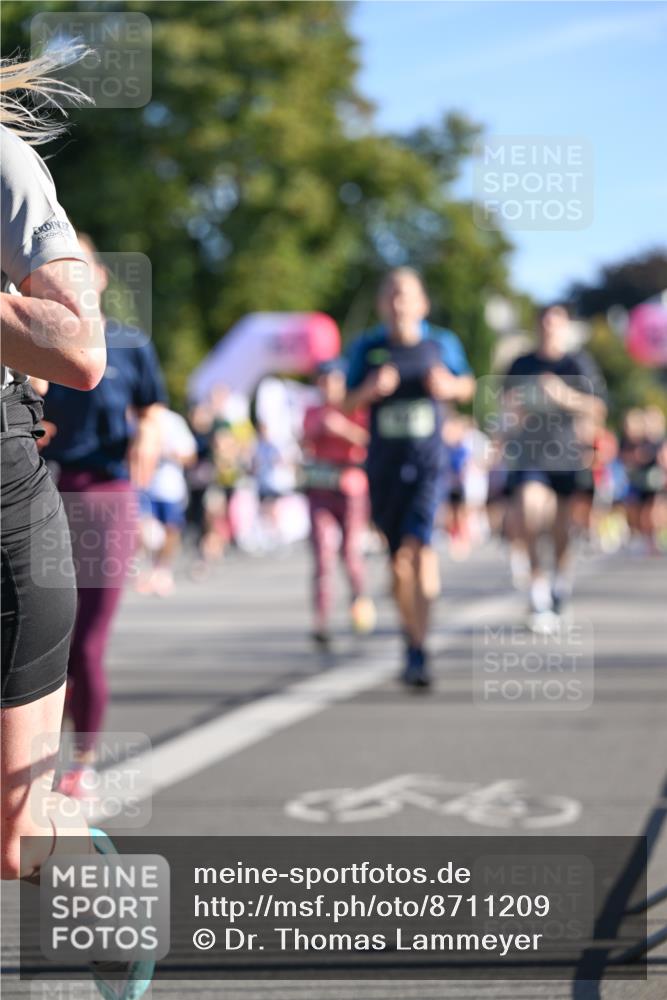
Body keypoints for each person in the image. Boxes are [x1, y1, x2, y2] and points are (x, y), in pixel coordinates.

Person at [0, 49, 154, 999]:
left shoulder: (4, 165)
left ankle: (85, 863)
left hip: (3, 516)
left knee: (13, 845)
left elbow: (82, 352)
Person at [40, 234, 167, 796]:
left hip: (106, 498)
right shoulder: (33, 337)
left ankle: (82, 761)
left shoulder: (130, 343)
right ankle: (35, 757)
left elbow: (154, 408)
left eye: (80, 268)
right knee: (41, 640)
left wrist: (150, 435)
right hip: (43, 496)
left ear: (101, 277)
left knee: (86, 642)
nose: (70, 279)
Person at [344, 268, 475, 686]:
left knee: (418, 551)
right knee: (399, 563)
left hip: (429, 464)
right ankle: (410, 637)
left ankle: (420, 649)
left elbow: (468, 386)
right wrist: (369, 390)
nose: (400, 303)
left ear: (422, 304)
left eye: (408, 295)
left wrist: (449, 387)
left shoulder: (442, 343)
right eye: (392, 295)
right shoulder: (368, 347)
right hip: (384, 465)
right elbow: (344, 402)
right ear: (384, 303)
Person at [502, 304, 607, 629]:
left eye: (555, 322)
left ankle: (560, 582)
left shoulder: (577, 363)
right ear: (536, 326)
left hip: (565, 455)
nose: (549, 328)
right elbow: (505, 408)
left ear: (565, 327)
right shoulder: (521, 364)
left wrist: (563, 395)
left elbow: (598, 409)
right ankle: (538, 592)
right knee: (529, 510)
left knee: (562, 529)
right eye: (544, 322)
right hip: (530, 454)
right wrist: (513, 417)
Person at [301, 358, 375, 647]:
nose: (327, 387)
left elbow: (368, 441)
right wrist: (319, 428)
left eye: (332, 380)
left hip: (351, 487)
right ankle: (321, 620)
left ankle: (360, 600)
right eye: (322, 381)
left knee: (350, 552)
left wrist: (342, 428)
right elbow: (303, 440)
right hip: (320, 487)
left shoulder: (356, 408)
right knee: (322, 553)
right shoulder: (312, 411)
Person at [138, 407, 197, 595]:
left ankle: (163, 571)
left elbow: (190, 456)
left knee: (171, 530)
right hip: (141, 486)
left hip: (168, 486)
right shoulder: (135, 417)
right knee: (143, 530)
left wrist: (166, 453)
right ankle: (146, 570)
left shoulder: (173, 421)